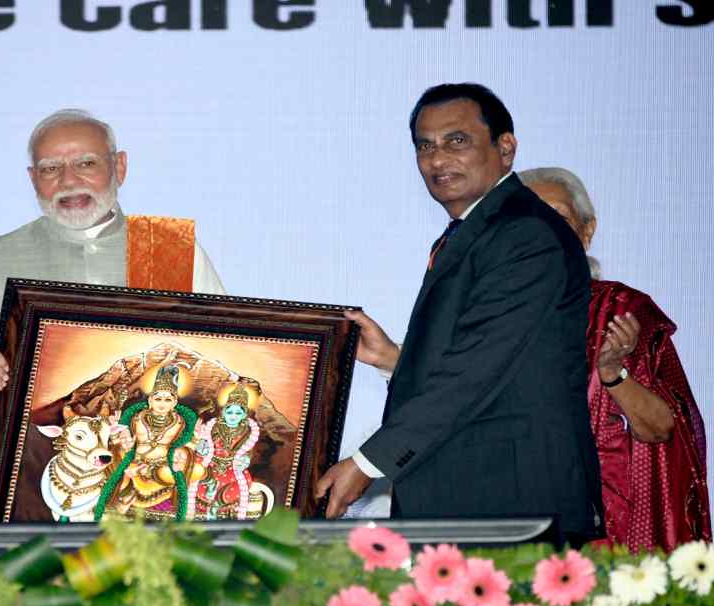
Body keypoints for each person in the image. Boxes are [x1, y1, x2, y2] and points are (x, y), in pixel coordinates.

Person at [315, 83, 604, 543]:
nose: (437, 159)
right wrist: (396, 360)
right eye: (424, 146)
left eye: (457, 141)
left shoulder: (524, 234)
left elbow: (474, 373)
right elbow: (495, 362)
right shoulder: (474, 233)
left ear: (505, 148)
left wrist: (369, 463)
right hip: (473, 500)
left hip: (510, 507)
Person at [0, 109, 226, 427]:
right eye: (51, 169)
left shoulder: (170, 249)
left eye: (86, 164)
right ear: (33, 180)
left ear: (119, 167)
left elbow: (224, 363)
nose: (69, 181)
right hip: (37, 467)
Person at [520, 166, 710, 551]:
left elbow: (660, 429)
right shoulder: (490, 317)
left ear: (586, 232)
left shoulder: (620, 310)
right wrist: (394, 361)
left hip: (608, 534)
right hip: (516, 527)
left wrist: (612, 373)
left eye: (557, 217)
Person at [97, 365, 203, 521]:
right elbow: (122, 440)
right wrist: (118, 437)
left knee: (196, 470)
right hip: (134, 460)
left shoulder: (181, 422)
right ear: (150, 400)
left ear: (174, 403)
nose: (162, 403)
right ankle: (126, 491)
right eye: (158, 398)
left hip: (162, 466)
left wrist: (194, 440)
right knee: (116, 461)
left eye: (168, 399)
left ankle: (134, 488)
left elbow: (186, 447)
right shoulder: (136, 418)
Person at [189, 381, 275, 521]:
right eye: (229, 412)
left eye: (237, 412)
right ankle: (209, 484)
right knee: (194, 468)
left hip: (231, 468)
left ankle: (217, 504)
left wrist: (244, 460)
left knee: (241, 484)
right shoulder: (213, 426)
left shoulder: (248, 431)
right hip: (210, 464)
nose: (233, 416)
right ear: (223, 412)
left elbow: (248, 453)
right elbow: (202, 447)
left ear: (244, 414)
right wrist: (198, 440)